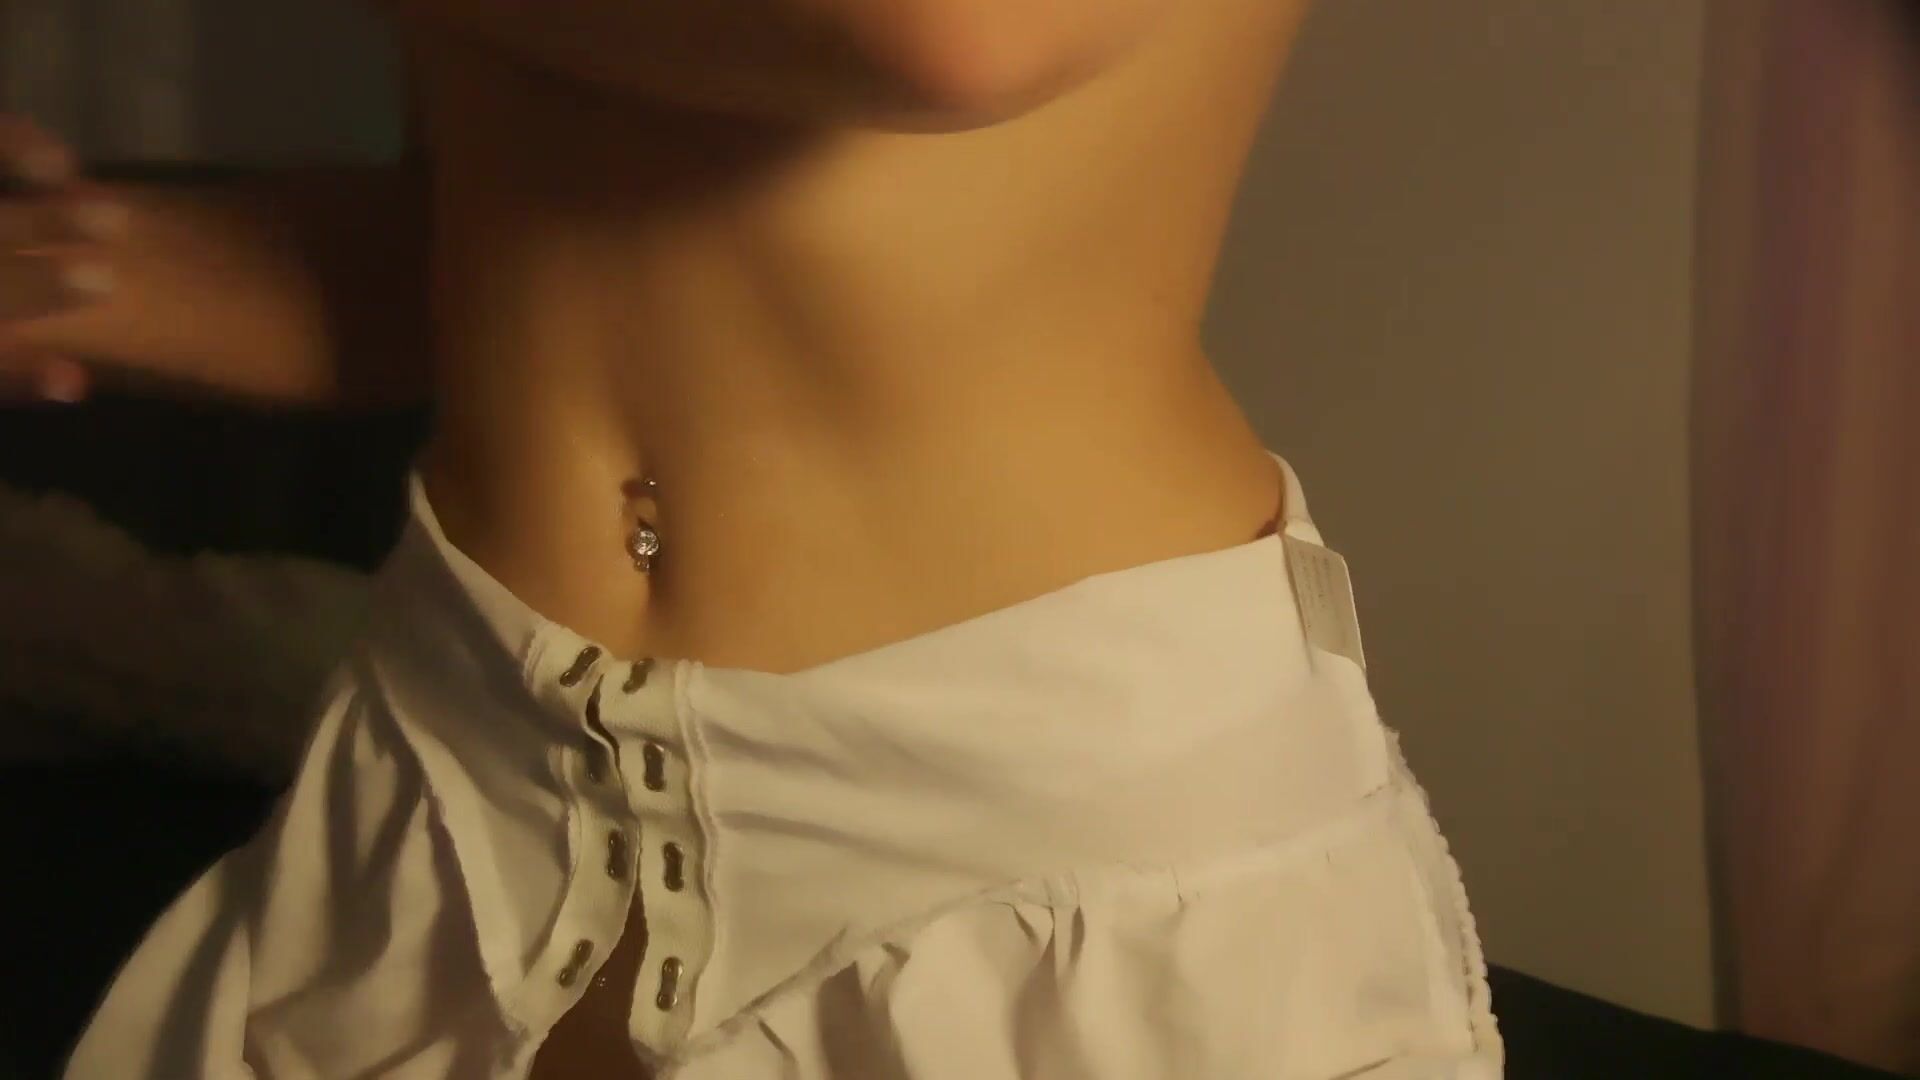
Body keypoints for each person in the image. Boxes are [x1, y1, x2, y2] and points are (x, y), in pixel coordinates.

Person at [15, 1, 1503, 1076]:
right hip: (453, 786)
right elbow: (528, 223)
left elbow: (956, 33)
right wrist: (83, 276)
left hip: (1027, 847)